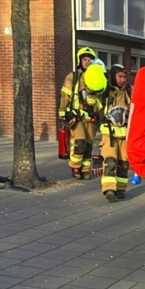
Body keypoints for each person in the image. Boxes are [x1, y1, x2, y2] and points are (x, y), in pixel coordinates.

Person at [59, 47, 99, 179]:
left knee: (88, 145)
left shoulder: (96, 77)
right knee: (80, 142)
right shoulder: (73, 77)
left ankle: (85, 169)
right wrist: (63, 113)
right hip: (76, 117)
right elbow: (65, 95)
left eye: (89, 59)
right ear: (80, 61)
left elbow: (100, 99)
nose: (87, 62)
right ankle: (75, 167)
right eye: (85, 59)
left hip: (90, 117)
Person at [101, 64, 131, 202]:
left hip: (125, 135)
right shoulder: (105, 92)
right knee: (110, 161)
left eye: (124, 77)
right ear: (113, 76)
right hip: (109, 135)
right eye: (119, 77)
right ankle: (109, 189)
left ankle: (121, 189)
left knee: (124, 164)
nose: (122, 80)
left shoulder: (130, 91)